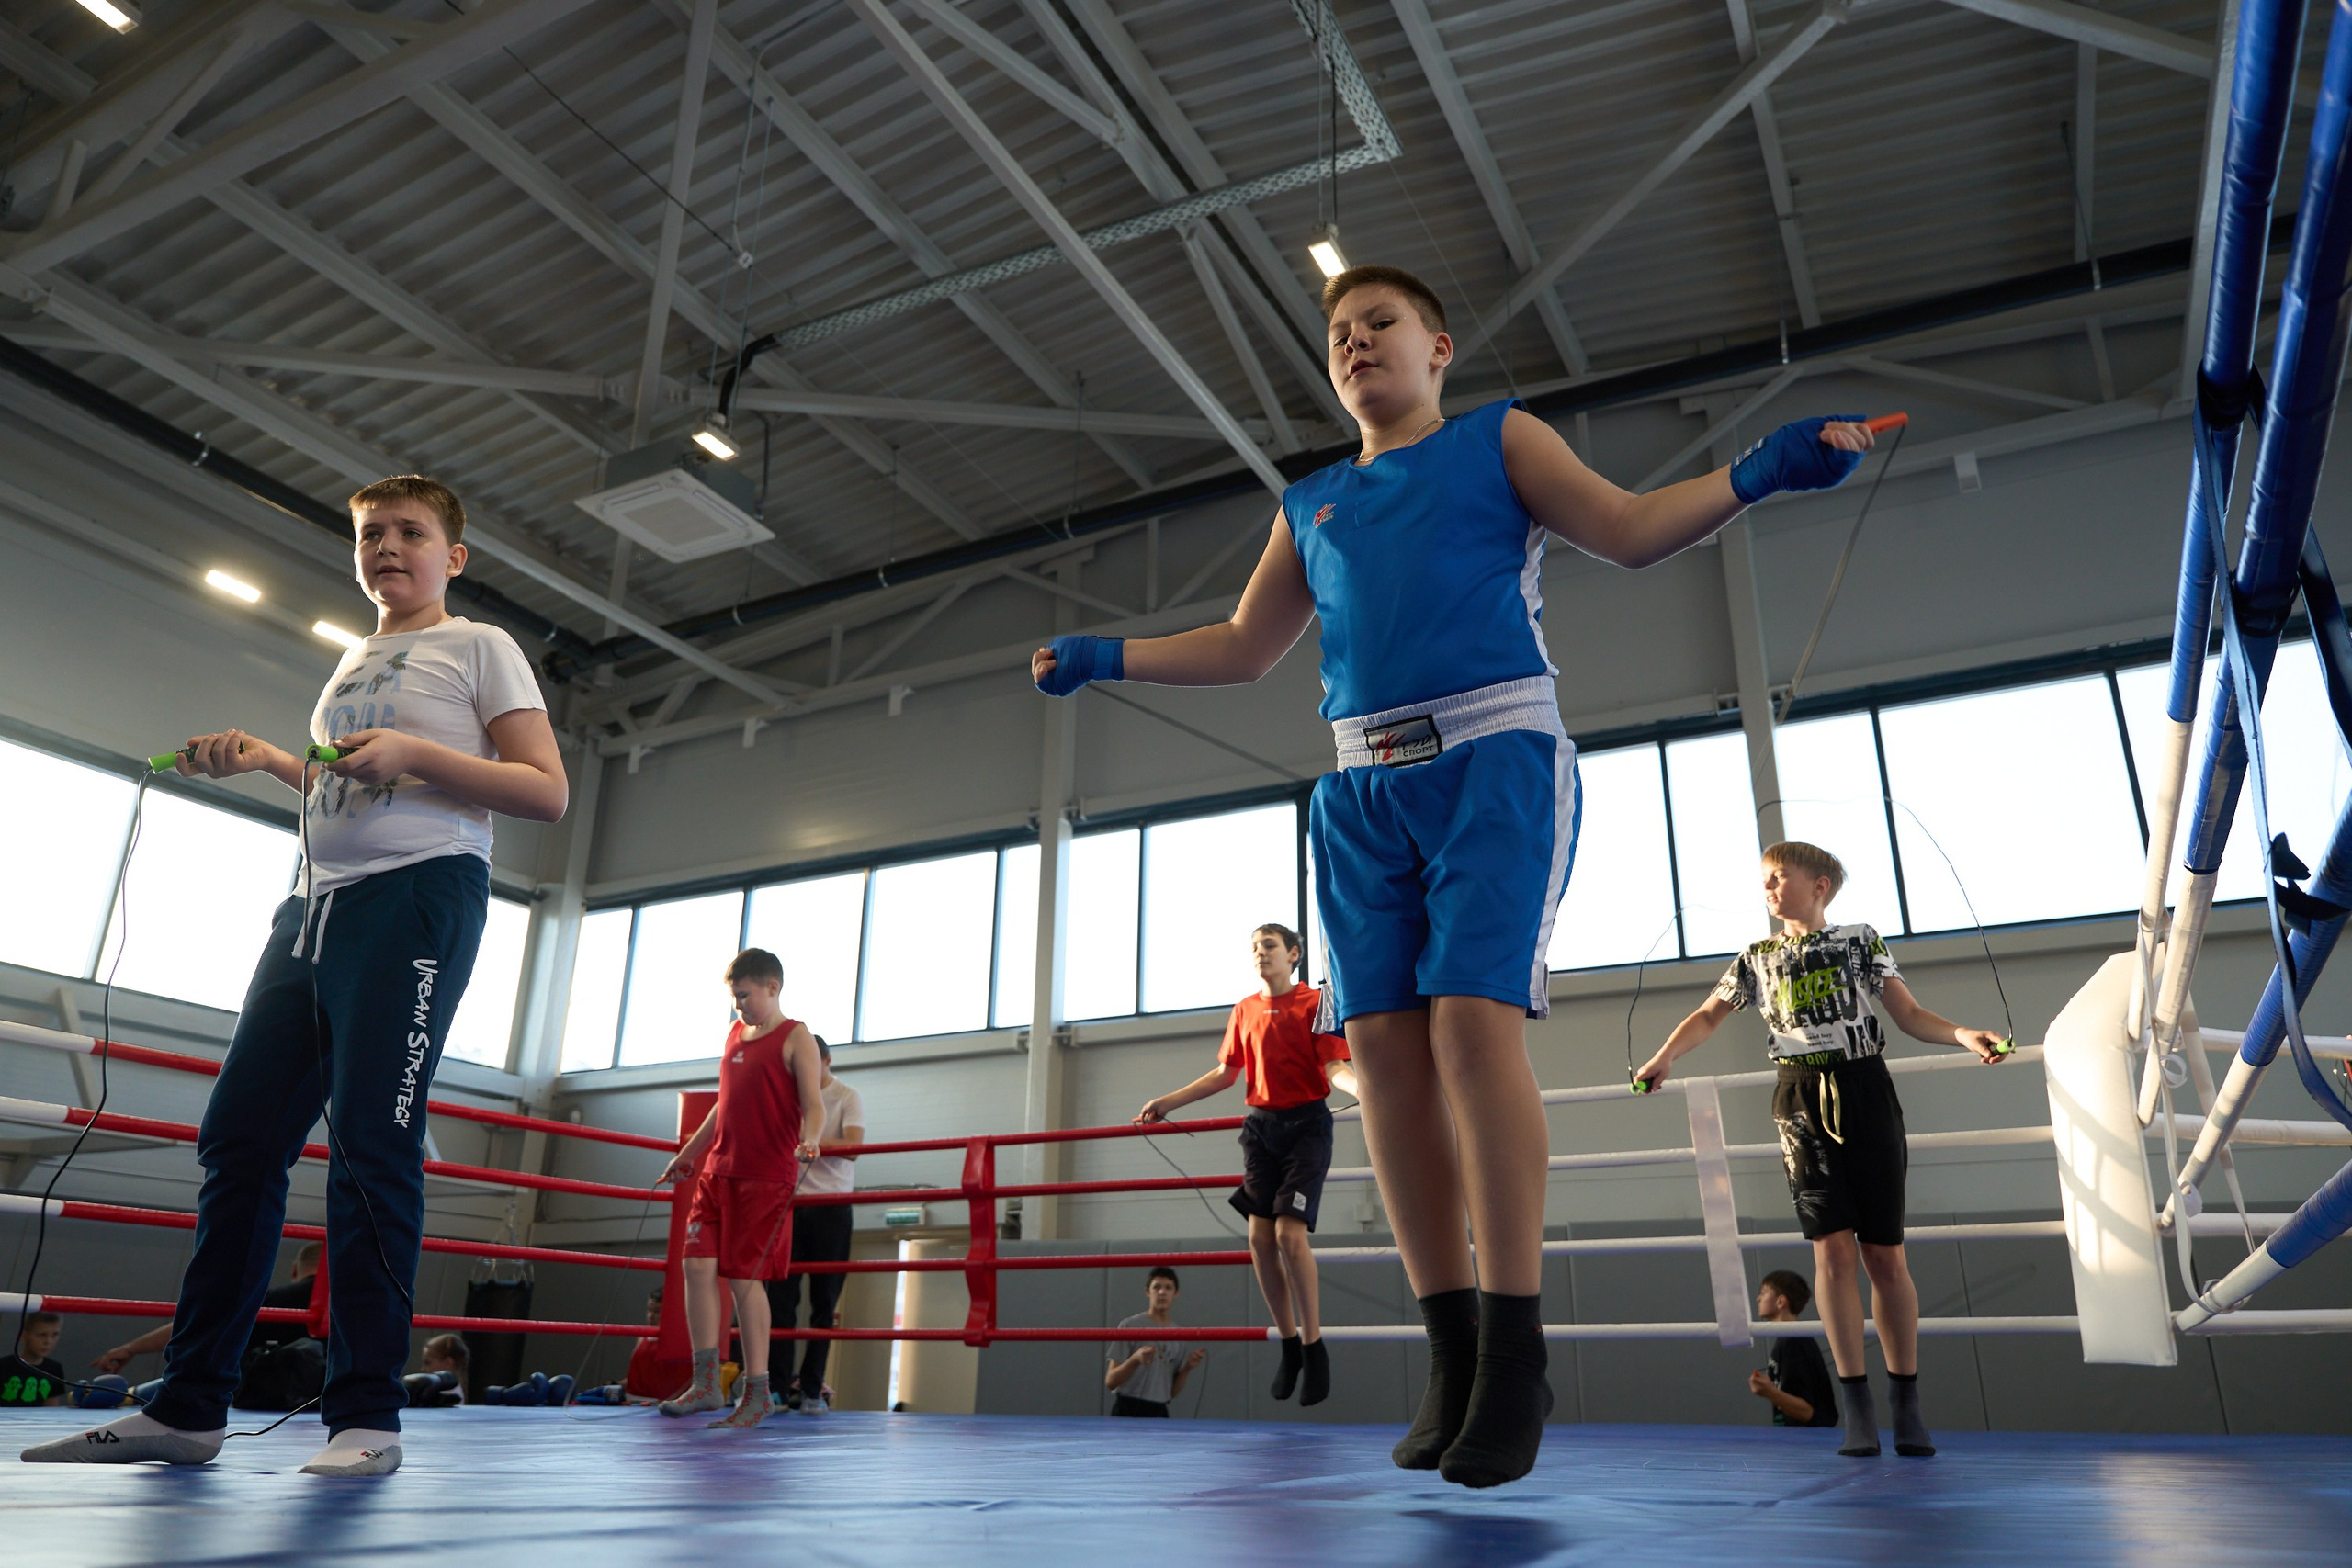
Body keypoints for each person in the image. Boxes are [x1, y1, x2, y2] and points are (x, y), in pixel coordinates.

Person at [1034, 265, 1878, 1487]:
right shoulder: (1310, 502)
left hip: (1495, 756)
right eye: (1337, 333)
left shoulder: (1498, 438)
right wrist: (1105, 654)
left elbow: (1629, 529)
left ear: (1436, 347)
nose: (1354, 341)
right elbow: (1244, 646)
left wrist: (1762, 470)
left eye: (1379, 323)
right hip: (1357, 788)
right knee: (1381, 1058)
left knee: (1472, 1028)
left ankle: (1517, 1349)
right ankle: (1454, 1348)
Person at [22, 475, 568, 1477]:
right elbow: (344, 782)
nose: (386, 546)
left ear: (454, 556)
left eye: (410, 532)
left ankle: (367, 1417)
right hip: (313, 907)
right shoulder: (354, 658)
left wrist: (416, 752)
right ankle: (189, 1407)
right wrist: (272, 759)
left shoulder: (478, 645)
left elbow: (546, 791)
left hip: (416, 898)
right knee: (238, 1140)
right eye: (370, 533)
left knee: (370, 1146)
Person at [1635, 841, 2008, 1459]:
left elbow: (1909, 1013)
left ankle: (1906, 1403)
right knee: (1831, 1251)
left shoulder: (1860, 940)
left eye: (1779, 877)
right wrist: (1665, 1055)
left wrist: (1964, 1034)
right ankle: (1856, 1405)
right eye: (1764, 879)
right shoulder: (1756, 958)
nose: (1768, 887)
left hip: (1866, 1090)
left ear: (1820, 885)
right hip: (1799, 1101)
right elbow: (1708, 1014)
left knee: (1884, 1254)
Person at [1135, 924, 1358, 1406]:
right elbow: (1225, 1074)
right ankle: (1289, 1344)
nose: (1260, 953)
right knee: (1259, 1238)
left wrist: (1364, 1089)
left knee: (1289, 1235)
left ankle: (1314, 1345)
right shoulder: (1245, 1009)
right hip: (1261, 1129)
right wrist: (1168, 1102)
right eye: (1254, 947)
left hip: (1306, 1128)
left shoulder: (1314, 1003)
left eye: (1269, 946)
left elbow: (1334, 1067)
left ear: (1293, 954)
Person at [654, 948, 824, 1430]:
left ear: (773, 987)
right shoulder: (733, 1034)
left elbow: (813, 1104)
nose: (739, 1006)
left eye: (745, 996)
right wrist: (688, 1154)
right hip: (718, 1172)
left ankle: (757, 1390)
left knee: (745, 1279)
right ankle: (706, 1382)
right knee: (695, 1265)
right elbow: (724, 1104)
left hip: (765, 1176)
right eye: (734, 997)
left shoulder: (797, 1037)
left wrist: (811, 1139)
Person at [91, 1242, 327, 1412]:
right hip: (325, 1408)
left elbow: (199, 1326)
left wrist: (130, 1348)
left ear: (294, 1269)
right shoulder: (344, 1308)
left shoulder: (271, 1300)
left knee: (209, 1367)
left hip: (260, 1402)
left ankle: (123, 1396)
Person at [766, 1034, 864, 1414]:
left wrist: (811, 1142)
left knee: (825, 1303)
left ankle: (810, 1389)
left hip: (832, 1208)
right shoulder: (791, 1097)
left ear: (827, 1060)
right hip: (789, 1205)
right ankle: (776, 1387)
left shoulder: (846, 1096)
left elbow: (854, 1147)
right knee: (780, 1301)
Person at [1104, 1267, 1205, 1417]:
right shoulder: (1129, 1326)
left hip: (1159, 1410)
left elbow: (1171, 1393)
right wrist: (1135, 1359)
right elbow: (1111, 1381)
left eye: (1168, 1288)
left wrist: (1187, 1368)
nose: (1162, 1292)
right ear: (1147, 1291)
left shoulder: (1179, 1335)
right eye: (1157, 1287)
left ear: (1176, 1293)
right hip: (1127, 1407)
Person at [1748, 1270, 1837, 1430]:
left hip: (1808, 1440)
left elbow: (1807, 1412)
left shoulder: (1794, 1342)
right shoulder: (1787, 1340)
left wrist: (1769, 1392)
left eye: (1763, 1293)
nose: (1758, 1298)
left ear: (1781, 1301)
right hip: (1795, 1437)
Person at [2, 1313, 68, 1408]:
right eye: (42, 1335)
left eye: (55, 1335)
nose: (48, 1341)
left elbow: (52, 1409)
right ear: (24, 1336)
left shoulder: (54, 1369)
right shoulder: (4, 1366)